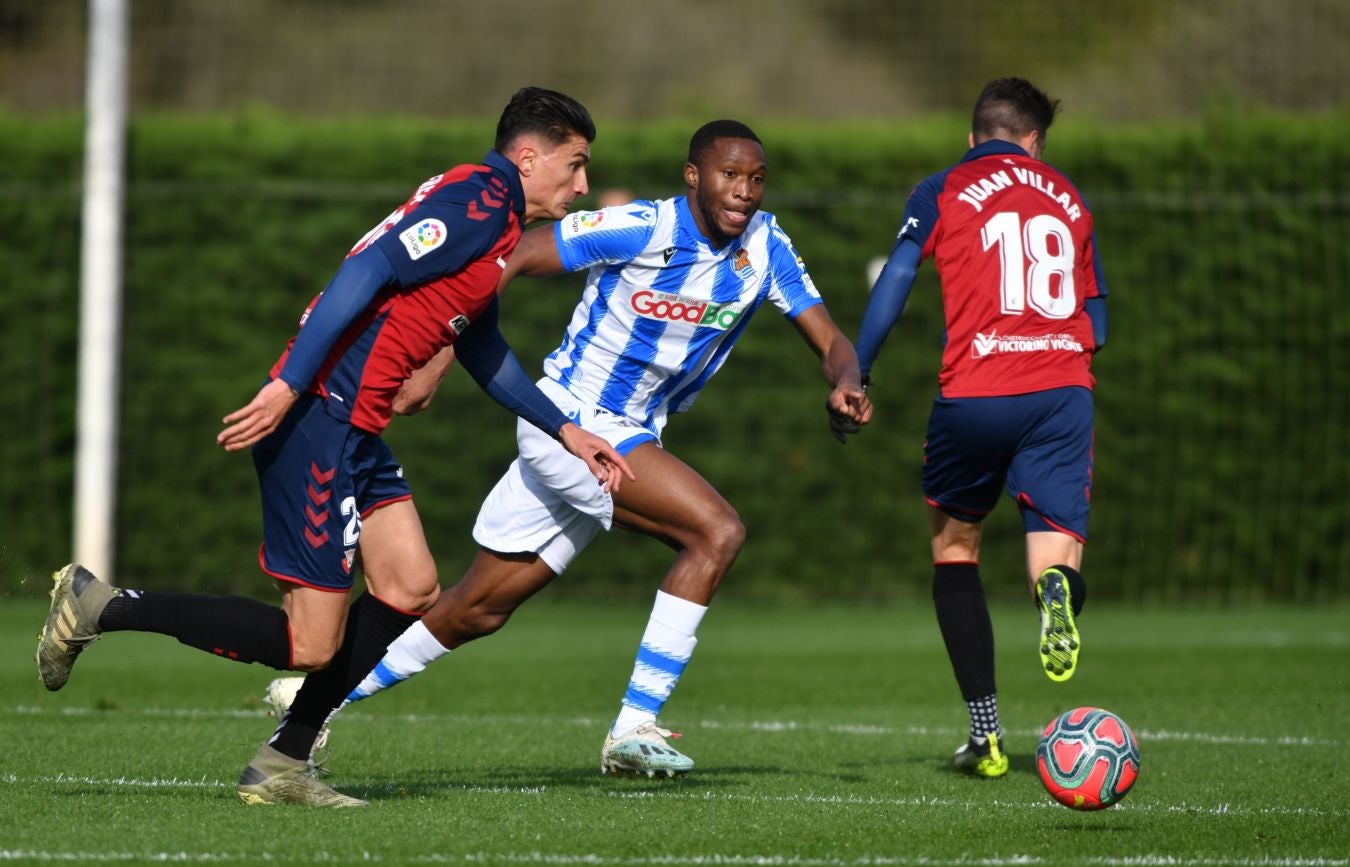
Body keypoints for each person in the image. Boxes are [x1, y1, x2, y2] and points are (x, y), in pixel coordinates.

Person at [35, 87, 633, 807]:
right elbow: (368, 268)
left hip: (354, 425)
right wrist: (289, 383)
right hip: (319, 418)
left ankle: (282, 763)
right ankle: (101, 605)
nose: (583, 184)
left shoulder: (497, 221)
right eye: (575, 164)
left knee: (410, 587)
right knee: (309, 644)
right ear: (529, 158)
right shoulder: (478, 201)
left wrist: (566, 430)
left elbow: (482, 346)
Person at [317, 118, 872, 780]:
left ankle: (311, 701)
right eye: (729, 175)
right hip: (572, 421)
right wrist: (441, 350)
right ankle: (634, 726)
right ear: (693, 176)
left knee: (476, 609)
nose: (744, 191)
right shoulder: (642, 227)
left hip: (629, 432)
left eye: (756, 179)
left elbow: (831, 340)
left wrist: (847, 381)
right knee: (716, 532)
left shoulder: (766, 245)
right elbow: (516, 255)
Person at [853, 77, 1109, 779]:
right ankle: (1055, 594)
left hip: (975, 392)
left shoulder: (942, 187)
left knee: (955, 551)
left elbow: (899, 274)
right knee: (1052, 555)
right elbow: (1099, 320)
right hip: (1060, 393)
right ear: (1035, 142)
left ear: (973, 138)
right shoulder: (1069, 196)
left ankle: (987, 735)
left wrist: (858, 369)